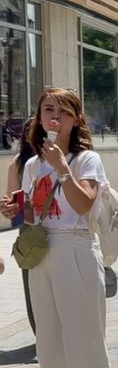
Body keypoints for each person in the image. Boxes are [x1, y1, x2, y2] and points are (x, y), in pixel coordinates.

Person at [0, 88, 116, 368]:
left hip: (76, 248)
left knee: (82, 341)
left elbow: (83, 204)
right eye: (48, 110)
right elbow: (31, 215)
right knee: (49, 343)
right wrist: (13, 210)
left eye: (63, 112)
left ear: (75, 119)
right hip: (43, 253)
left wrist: (63, 169)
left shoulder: (86, 160)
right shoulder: (33, 165)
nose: (54, 117)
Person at [6, 118, 40, 333]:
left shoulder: (61, 158)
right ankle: (41, 332)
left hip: (42, 228)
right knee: (32, 282)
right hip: (31, 229)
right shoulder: (19, 164)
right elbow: (13, 203)